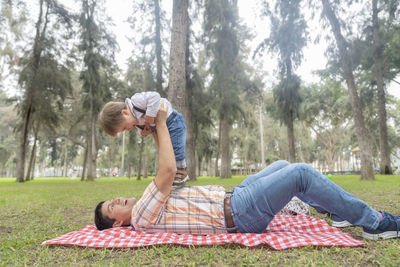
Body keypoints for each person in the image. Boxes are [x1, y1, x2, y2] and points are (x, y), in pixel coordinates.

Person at [94, 102, 400, 240]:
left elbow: (169, 169)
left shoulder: (147, 202)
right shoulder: (141, 217)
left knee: (281, 165)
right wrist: (159, 121)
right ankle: (375, 222)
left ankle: (335, 211)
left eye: (113, 199)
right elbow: (168, 168)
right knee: (301, 174)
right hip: (240, 213)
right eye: (112, 207)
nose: (118, 200)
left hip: (236, 196)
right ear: (118, 225)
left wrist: (151, 129)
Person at [98, 91, 188, 187]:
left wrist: (150, 113)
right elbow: (142, 128)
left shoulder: (136, 101)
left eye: (124, 127)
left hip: (172, 121)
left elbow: (155, 96)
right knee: (166, 152)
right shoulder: (135, 120)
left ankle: (181, 171)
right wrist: (144, 131)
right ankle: (172, 175)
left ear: (125, 113)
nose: (128, 129)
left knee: (176, 149)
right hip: (161, 128)